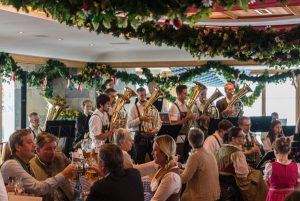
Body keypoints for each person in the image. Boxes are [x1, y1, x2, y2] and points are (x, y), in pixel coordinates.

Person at [0, 129, 75, 195]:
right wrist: (64, 174)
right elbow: (39, 189)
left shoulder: (26, 164)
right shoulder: (11, 164)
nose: (34, 145)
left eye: (34, 141)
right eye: (30, 142)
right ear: (18, 147)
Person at [216, 127, 268, 201]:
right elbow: (242, 176)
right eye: (242, 136)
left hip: (223, 183)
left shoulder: (221, 149)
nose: (244, 138)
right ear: (234, 139)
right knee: (259, 175)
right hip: (238, 184)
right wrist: (249, 170)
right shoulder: (237, 154)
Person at [30, 132, 74, 201]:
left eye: (54, 148)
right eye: (48, 149)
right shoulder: (31, 166)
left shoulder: (60, 157)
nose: (53, 152)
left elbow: (75, 169)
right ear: (37, 149)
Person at [181, 127, 220, 201]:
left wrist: (173, 171)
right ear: (203, 139)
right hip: (215, 195)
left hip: (202, 198)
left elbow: (184, 179)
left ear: (189, 142)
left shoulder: (195, 156)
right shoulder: (210, 154)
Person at [128, 87, 162, 164]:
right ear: (137, 96)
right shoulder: (133, 108)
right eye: (141, 95)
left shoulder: (152, 108)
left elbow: (159, 123)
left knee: (156, 160)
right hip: (140, 138)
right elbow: (129, 125)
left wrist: (155, 130)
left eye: (144, 95)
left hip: (151, 137)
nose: (143, 97)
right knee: (139, 162)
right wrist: (140, 119)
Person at [151, 135, 181, 201]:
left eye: (155, 150)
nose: (152, 153)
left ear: (164, 153)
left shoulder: (171, 177)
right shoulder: (162, 167)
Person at [168, 84, 194, 162]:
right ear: (179, 94)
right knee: (180, 155)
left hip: (186, 133)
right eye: (185, 93)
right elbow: (173, 124)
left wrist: (193, 117)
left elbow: (188, 120)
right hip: (179, 135)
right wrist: (187, 118)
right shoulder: (173, 107)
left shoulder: (185, 105)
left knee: (187, 154)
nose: (187, 95)